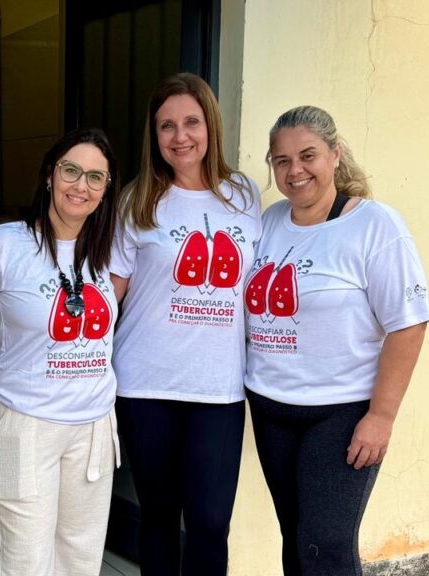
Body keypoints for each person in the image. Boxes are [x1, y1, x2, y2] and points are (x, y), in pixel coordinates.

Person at [245, 105, 429, 576]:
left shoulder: (374, 225)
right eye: (281, 160)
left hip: (341, 414)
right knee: (296, 538)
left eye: (308, 155)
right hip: (271, 408)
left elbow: (408, 323)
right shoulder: (269, 222)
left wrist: (382, 416)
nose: (295, 170)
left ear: (335, 154)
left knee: (324, 546)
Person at [110, 72, 261, 575]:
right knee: (157, 515)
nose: (180, 137)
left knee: (211, 521)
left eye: (191, 122)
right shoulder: (137, 201)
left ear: (210, 125)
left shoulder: (243, 194)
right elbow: (110, 294)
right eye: (166, 126)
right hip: (146, 383)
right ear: (154, 136)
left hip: (218, 386)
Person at [0, 128, 121, 575]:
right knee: (24, 563)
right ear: (50, 175)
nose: (81, 185)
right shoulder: (6, 244)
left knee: (80, 561)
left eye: (95, 177)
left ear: (107, 190)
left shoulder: (111, 250)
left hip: (92, 429)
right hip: (23, 425)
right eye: (71, 170)